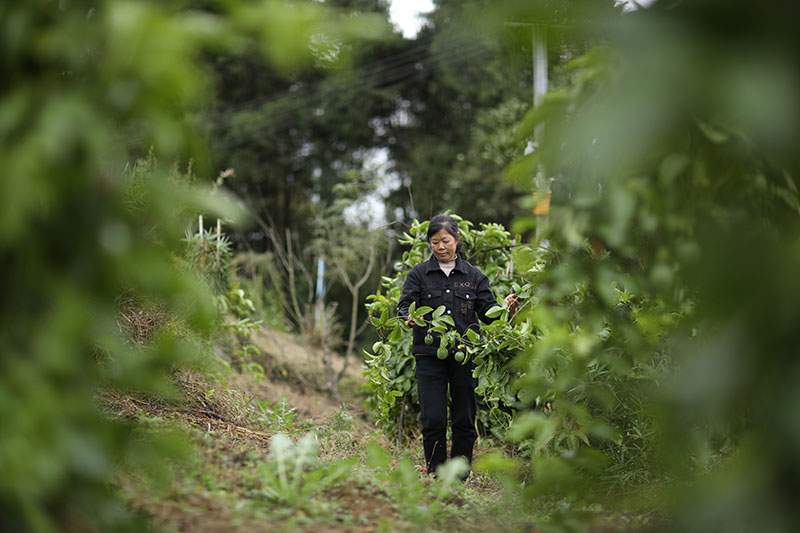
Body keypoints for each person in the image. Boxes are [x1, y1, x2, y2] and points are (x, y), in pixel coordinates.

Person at [397, 214, 519, 477]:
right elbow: (403, 306)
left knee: (464, 418)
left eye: (445, 241)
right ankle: (435, 473)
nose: (440, 247)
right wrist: (408, 317)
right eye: (434, 242)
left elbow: (488, 314)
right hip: (429, 355)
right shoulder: (419, 274)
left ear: (457, 239)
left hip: (465, 357)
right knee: (434, 419)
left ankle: (459, 476)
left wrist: (504, 308)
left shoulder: (474, 276)